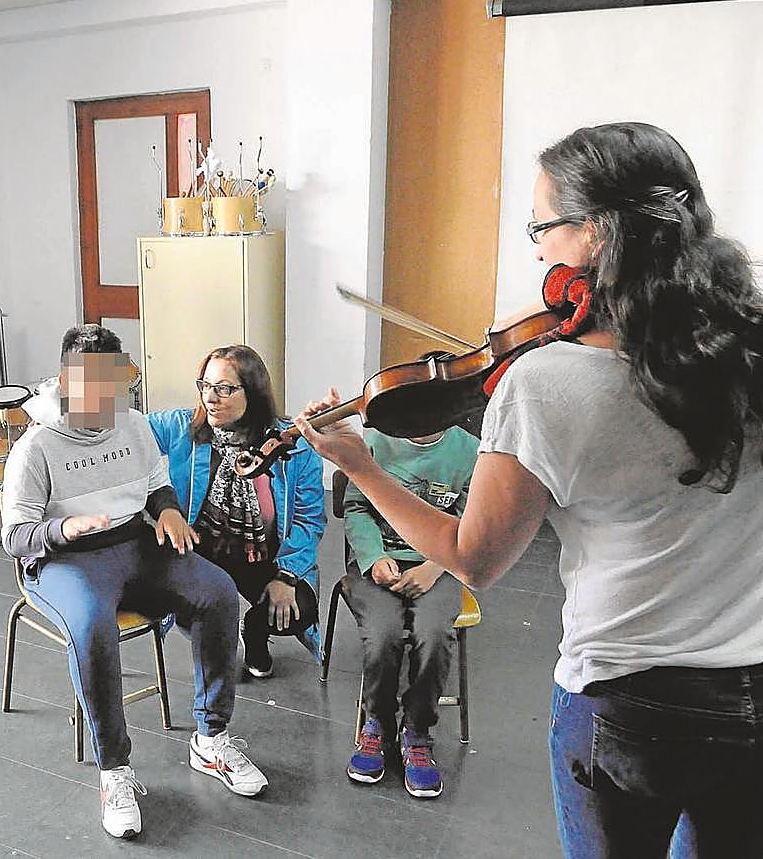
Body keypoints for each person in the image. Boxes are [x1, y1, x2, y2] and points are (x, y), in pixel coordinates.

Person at [296, 122, 763, 856]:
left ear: (596, 234)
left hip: (627, 697)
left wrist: (361, 467)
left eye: (541, 228)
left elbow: (472, 557)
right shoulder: (746, 351)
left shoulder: (547, 380)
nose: (538, 251)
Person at [1, 325, 268, 841]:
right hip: (64, 559)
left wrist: (167, 510)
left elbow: (156, 485)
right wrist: (62, 529)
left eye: (114, 387)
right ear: (66, 382)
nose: (106, 402)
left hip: (133, 544)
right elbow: (15, 537)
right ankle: (114, 771)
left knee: (216, 591)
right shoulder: (34, 447)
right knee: (91, 626)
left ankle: (211, 740)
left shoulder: (135, 424)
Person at [147, 345, 324, 679]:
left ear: (252, 392)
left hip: (261, 556)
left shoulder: (293, 445)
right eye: (205, 385)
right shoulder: (182, 426)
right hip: (203, 552)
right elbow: (126, 433)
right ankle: (215, 638)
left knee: (297, 609)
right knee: (203, 609)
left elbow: (309, 518)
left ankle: (254, 633)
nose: (210, 398)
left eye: (224, 388)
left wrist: (286, 576)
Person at [340, 409, 478, 799]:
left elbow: (471, 524)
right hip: (378, 560)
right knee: (382, 635)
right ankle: (377, 724)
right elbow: (356, 508)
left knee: (434, 636)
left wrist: (435, 567)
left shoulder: (471, 452)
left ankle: (417, 731)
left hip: (440, 564)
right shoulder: (374, 443)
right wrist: (373, 557)